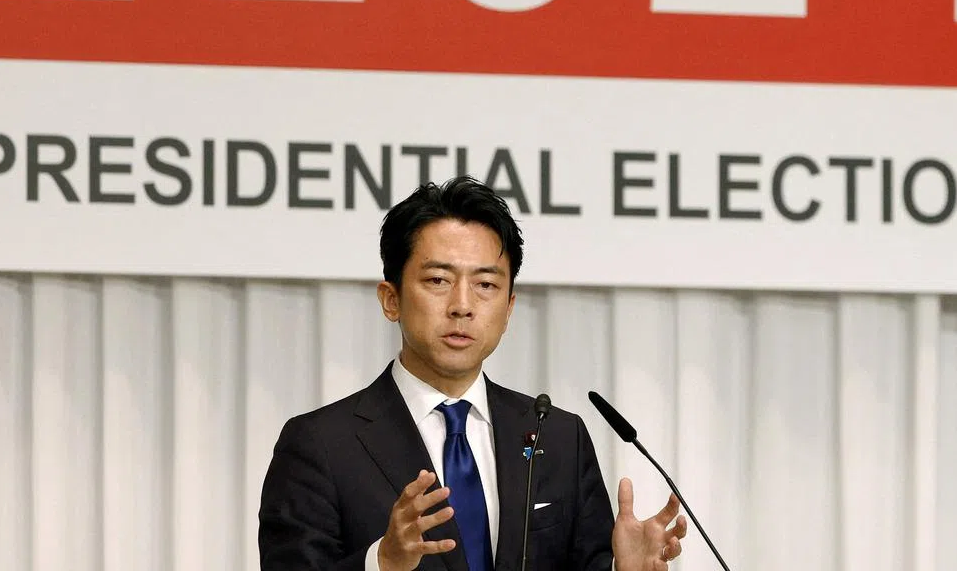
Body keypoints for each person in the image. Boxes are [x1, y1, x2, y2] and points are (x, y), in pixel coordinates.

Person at [258, 176, 688, 571]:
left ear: (509, 308)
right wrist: (382, 562)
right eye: (439, 280)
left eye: (485, 285)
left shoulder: (560, 439)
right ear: (391, 299)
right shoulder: (320, 445)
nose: (463, 305)